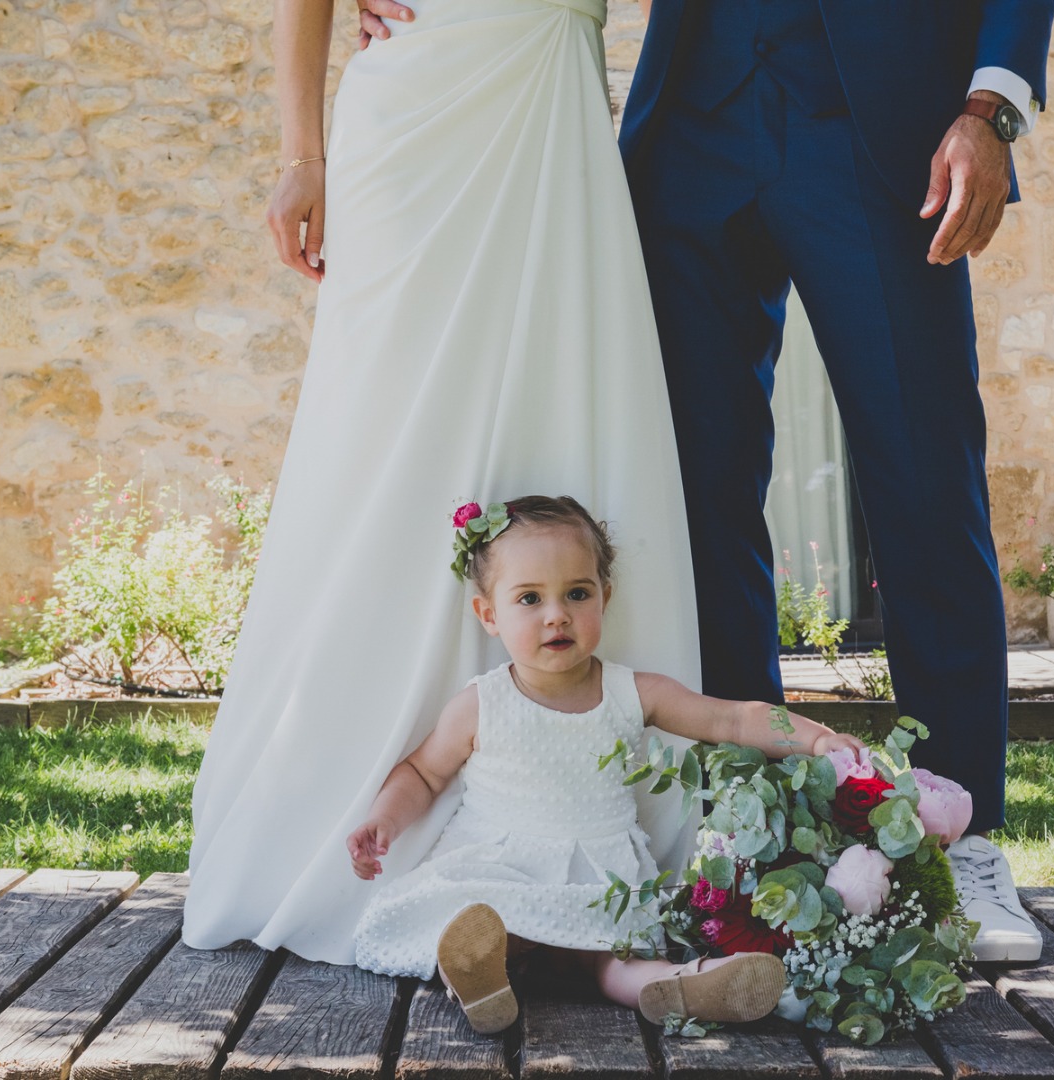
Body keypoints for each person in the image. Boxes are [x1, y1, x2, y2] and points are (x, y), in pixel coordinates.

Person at [354, 0, 1054, 961]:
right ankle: (754, 832)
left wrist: (992, 106)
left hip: (886, 129)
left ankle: (965, 836)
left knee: (925, 480)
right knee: (702, 500)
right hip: (693, 125)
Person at [183, 0, 705, 961]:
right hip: (417, 105)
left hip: (549, 92)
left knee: (560, 395)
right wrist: (304, 154)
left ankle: (567, 820)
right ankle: (362, 811)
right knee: (381, 443)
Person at [348, 496, 865, 1030]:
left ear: (604, 597)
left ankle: (684, 985)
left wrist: (815, 738)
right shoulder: (483, 703)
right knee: (477, 917)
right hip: (498, 863)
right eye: (529, 598)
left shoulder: (628, 692)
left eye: (577, 593)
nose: (557, 614)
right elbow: (423, 772)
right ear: (489, 614)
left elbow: (730, 721)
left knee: (615, 957)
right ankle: (481, 978)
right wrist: (384, 820)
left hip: (601, 876)